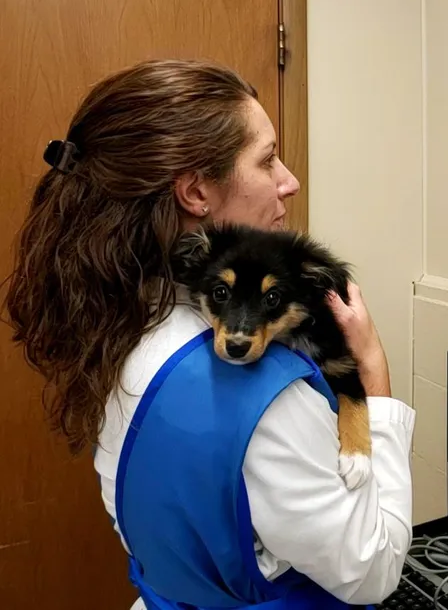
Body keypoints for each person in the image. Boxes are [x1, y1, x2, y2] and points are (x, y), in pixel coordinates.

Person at [5, 60, 415, 609]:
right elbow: (373, 568)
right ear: (196, 191)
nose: (289, 181)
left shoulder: (123, 321)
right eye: (268, 159)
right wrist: (373, 375)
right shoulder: (264, 396)